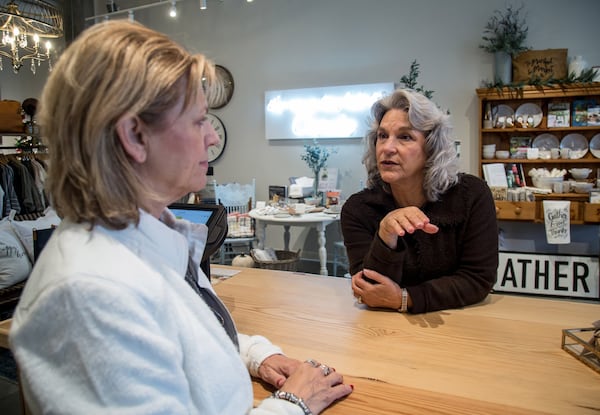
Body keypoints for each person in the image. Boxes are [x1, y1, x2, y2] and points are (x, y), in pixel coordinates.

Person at [10, 20, 352, 414]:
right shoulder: (89, 296)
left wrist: (255, 354)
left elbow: (179, 336)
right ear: (134, 136)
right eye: (198, 120)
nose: (212, 137)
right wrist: (294, 403)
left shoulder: (142, 237)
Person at [341, 88, 498, 314]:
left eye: (405, 137)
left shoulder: (470, 195)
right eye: (382, 136)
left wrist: (406, 298)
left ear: (432, 147)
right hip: (380, 331)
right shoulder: (359, 209)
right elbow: (370, 290)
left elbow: (477, 279)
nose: (387, 148)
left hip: (460, 324)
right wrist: (386, 235)